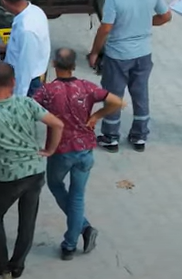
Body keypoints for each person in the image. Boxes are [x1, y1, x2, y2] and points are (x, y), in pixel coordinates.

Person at [0, 62, 65, 278]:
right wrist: (49, 150)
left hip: (8, 176)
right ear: (14, 82)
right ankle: (17, 265)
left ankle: (0, 265)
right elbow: (57, 124)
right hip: (34, 171)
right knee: (27, 220)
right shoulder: (27, 103)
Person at [33, 48, 124, 261]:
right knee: (78, 196)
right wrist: (96, 116)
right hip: (85, 150)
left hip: (61, 150)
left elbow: (30, 108)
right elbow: (118, 101)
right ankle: (71, 243)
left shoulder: (47, 90)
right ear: (74, 66)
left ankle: (82, 230)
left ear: (54, 64)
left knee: (56, 185)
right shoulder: (86, 87)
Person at [89, 0, 171, 152]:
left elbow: (106, 28)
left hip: (118, 55)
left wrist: (94, 52)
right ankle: (139, 136)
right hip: (143, 53)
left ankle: (110, 136)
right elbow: (166, 16)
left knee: (113, 95)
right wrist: (143, 22)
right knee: (140, 94)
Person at [0, 0, 51, 97]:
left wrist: (18, 98)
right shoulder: (36, 11)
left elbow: (25, 68)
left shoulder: (26, 29)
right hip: (34, 75)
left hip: (29, 84)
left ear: (4, 2)